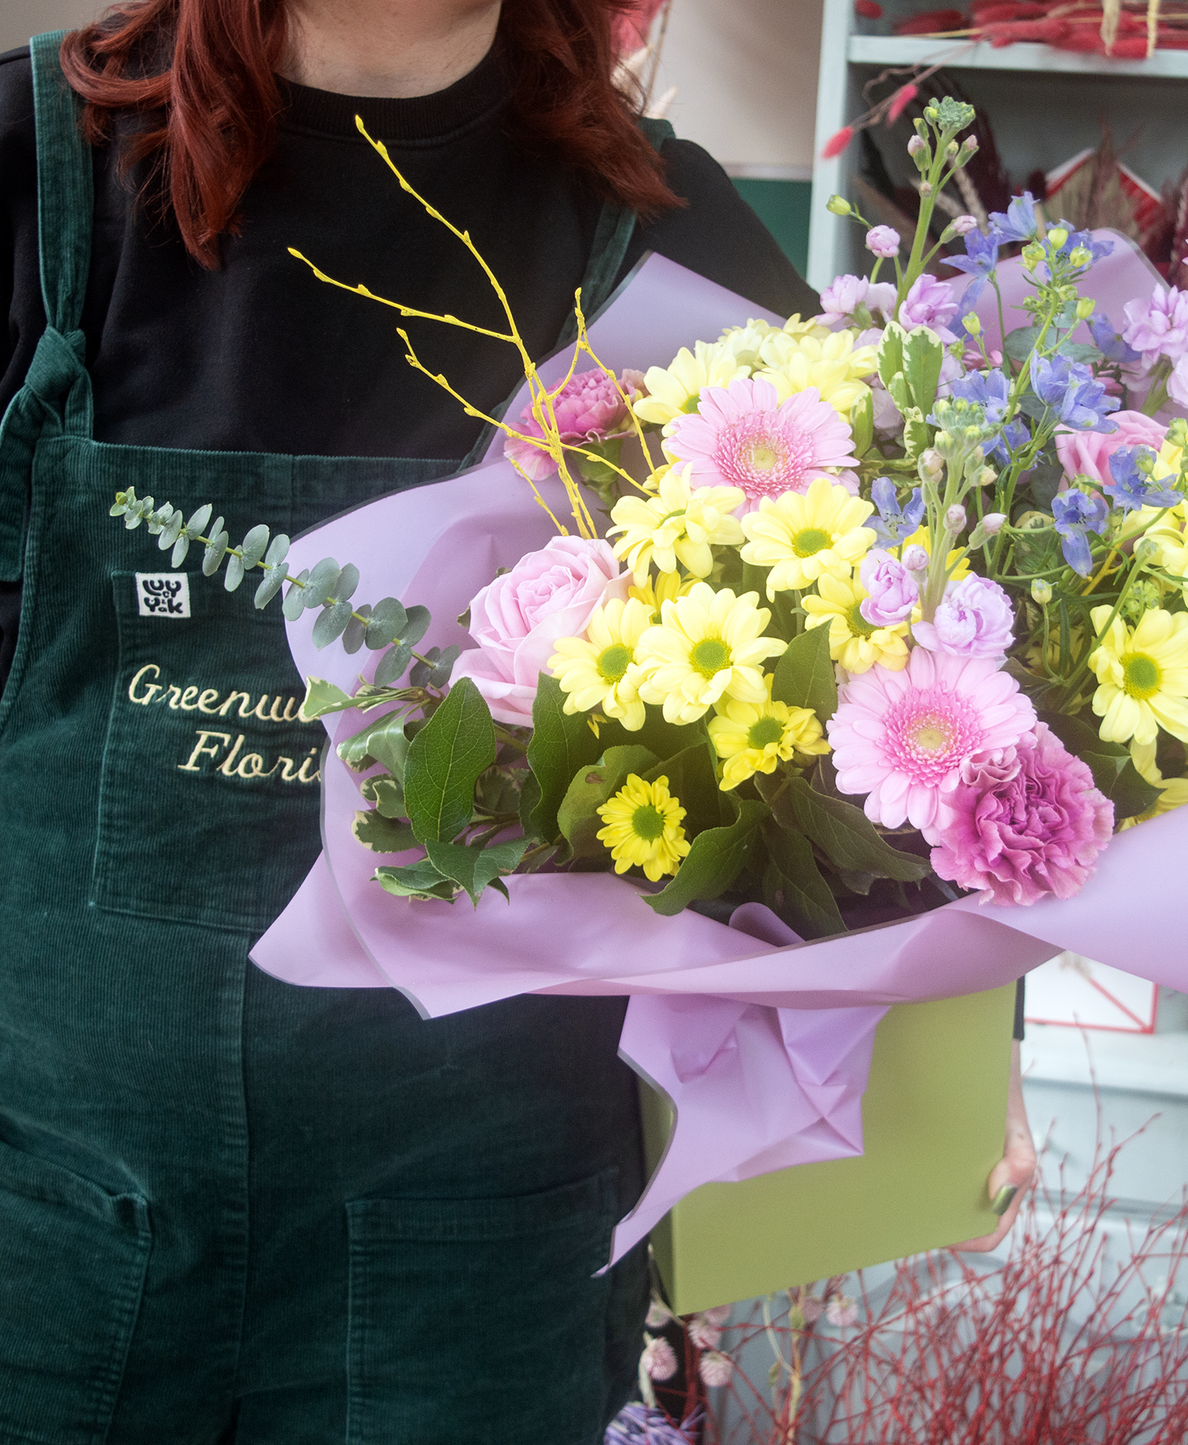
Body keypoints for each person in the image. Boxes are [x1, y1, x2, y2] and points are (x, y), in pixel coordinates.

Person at [0, 2, 1034, 1440]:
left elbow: (878, 702)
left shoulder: (664, 241)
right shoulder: (33, 174)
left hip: (479, 1259)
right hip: (43, 1223)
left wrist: (959, 1047)